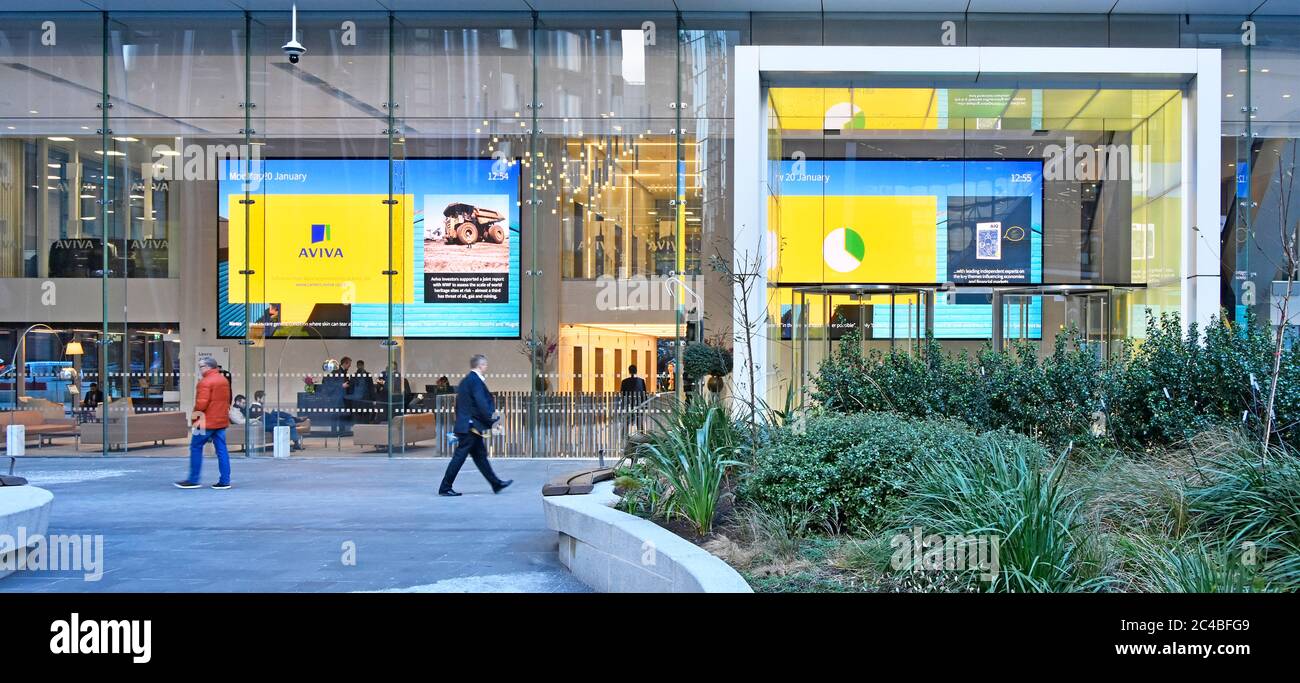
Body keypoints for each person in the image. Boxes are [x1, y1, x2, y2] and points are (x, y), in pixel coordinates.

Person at [438, 354, 512, 497]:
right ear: (480, 366)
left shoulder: (465, 381)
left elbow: (459, 404)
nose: (486, 367)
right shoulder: (476, 381)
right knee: (459, 457)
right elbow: (482, 403)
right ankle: (445, 487)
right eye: (485, 365)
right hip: (470, 427)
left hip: (467, 425)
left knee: (480, 456)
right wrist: (492, 420)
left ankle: (496, 483)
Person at [176, 356, 232, 490]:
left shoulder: (205, 382)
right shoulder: (223, 380)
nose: (200, 369)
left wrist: (194, 419)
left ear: (208, 367)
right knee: (222, 450)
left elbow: (201, 404)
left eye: (201, 366)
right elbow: (228, 399)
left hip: (205, 423)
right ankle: (225, 481)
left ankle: (193, 479)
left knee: (196, 447)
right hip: (221, 422)